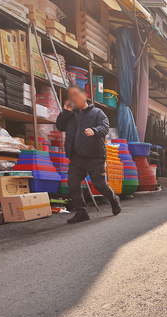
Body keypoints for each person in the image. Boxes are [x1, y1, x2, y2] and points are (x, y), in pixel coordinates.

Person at [55, 84, 121, 223]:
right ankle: (81, 211)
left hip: (94, 156)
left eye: (76, 95)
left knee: (99, 185)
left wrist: (94, 131)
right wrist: (65, 112)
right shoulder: (70, 115)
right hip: (76, 157)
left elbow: (104, 128)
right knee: (72, 184)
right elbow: (60, 126)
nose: (74, 98)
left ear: (85, 96)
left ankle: (114, 200)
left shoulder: (97, 113)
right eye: (71, 96)